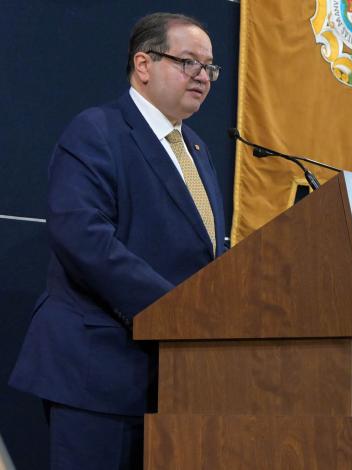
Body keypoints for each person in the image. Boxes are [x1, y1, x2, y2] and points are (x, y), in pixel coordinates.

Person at [8, 13, 225, 469]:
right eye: (188, 62)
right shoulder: (97, 130)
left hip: (177, 380)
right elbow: (84, 240)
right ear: (143, 65)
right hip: (99, 374)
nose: (202, 77)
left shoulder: (198, 150)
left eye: (209, 68)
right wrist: (180, 312)